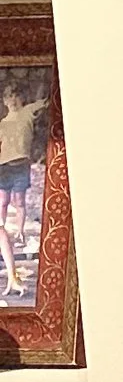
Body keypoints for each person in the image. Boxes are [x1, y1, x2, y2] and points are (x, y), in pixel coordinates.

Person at [0, 70, 48, 302]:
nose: (12, 99)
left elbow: (44, 101)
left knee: (18, 202)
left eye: (15, 95)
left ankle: (18, 232)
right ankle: (12, 275)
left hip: (20, 166)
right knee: (3, 203)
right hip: (4, 166)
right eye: (8, 96)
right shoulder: (3, 123)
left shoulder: (27, 112)